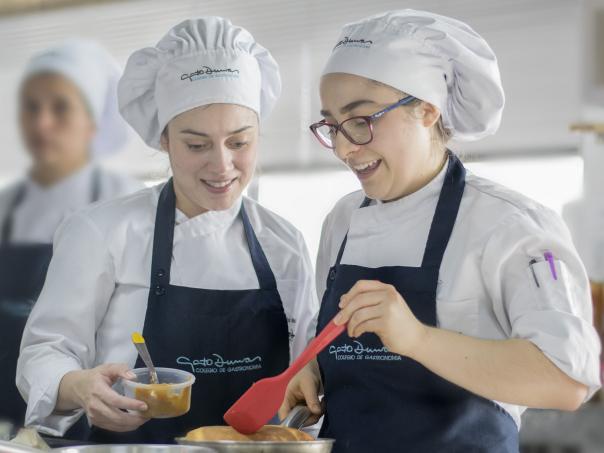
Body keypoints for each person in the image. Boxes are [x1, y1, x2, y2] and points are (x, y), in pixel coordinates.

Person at [279, 10, 601, 453]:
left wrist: (418, 339)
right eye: (332, 125)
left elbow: (567, 380)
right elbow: (339, 338)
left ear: (428, 110)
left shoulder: (509, 224)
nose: (343, 147)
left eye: (360, 120)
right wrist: (315, 367)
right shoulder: (342, 220)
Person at [17, 17, 318, 444]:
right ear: (164, 139)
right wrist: (80, 386)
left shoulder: (284, 243)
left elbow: (304, 376)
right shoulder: (102, 231)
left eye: (239, 142)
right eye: (196, 144)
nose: (222, 165)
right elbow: (44, 353)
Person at [0, 40, 141, 427]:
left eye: (60, 107)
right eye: (31, 107)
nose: (42, 123)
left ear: (93, 122)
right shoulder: (5, 206)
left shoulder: (126, 204)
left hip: (83, 416)